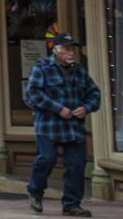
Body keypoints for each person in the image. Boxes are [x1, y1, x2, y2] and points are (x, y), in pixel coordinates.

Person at [24, 32, 100, 217]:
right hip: (49, 125)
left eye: (72, 48)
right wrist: (58, 109)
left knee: (76, 165)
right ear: (56, 50)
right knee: (46, 159)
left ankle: (71, 204)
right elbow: (32, 94)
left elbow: (94, 94)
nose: (71, 52)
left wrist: (86, 108)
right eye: (66, 48)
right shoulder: (42, 68)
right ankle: (35, 191)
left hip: (73, 127)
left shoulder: (79, 70)